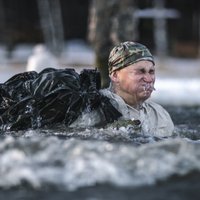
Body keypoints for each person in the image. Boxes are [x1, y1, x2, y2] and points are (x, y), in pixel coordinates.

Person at [70, 41, 174, 137]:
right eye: (140, 71)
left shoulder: (160, 115)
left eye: (151, 72)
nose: (148, 79)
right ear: (115, 76)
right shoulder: (93, 107)